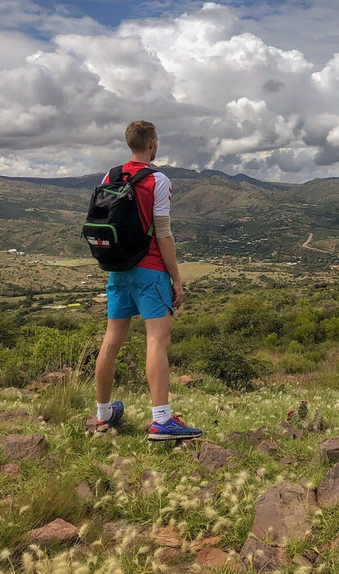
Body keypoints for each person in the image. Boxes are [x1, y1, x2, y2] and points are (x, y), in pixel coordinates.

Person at [92, 120, 202, 441]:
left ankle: (102, 415)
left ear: (130, 143)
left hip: (118, 269)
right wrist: (177, 279)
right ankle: (161, 420)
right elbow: (164, 234)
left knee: (111, 339)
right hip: (150, 269)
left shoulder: (109, 176)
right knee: (156, 341)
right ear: (152, 143)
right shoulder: (158, 180)